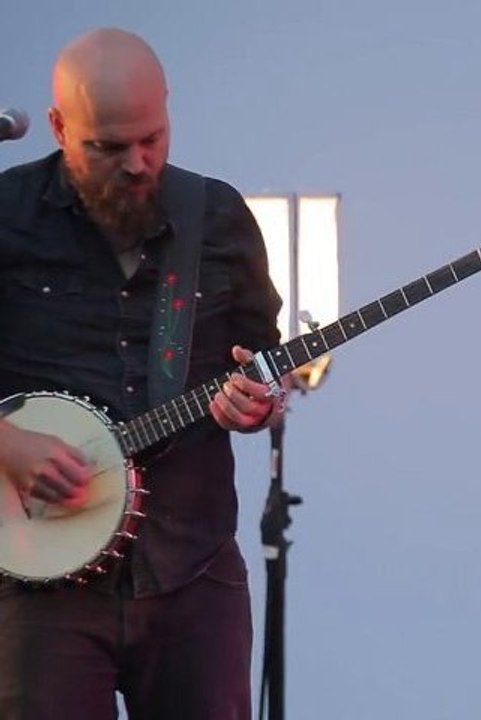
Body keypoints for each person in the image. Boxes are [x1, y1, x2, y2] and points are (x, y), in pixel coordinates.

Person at [0, 28, 284, 719]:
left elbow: (260, 361)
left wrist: (257, 404)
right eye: (108, 147)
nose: (137, 163)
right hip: (38, 583)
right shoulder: (7, 216)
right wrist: (7, 444)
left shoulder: (218, 218)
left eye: (152, 139)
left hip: (193, 570)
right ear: (60, 127)